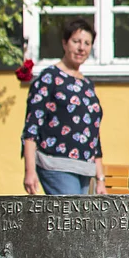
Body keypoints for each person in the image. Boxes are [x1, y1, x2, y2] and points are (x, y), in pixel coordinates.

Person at [22, 18, 106, 196]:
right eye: (76, 41)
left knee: (78, 222)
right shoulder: (49, 78)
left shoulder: (87, 85)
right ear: (64, 43)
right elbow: (31, 128)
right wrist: (29, 171)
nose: (81, 48)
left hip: (85, 169)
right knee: (72, 220)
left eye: (87, 43)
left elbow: (93, 134)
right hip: (56, 165)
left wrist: (100, 178)